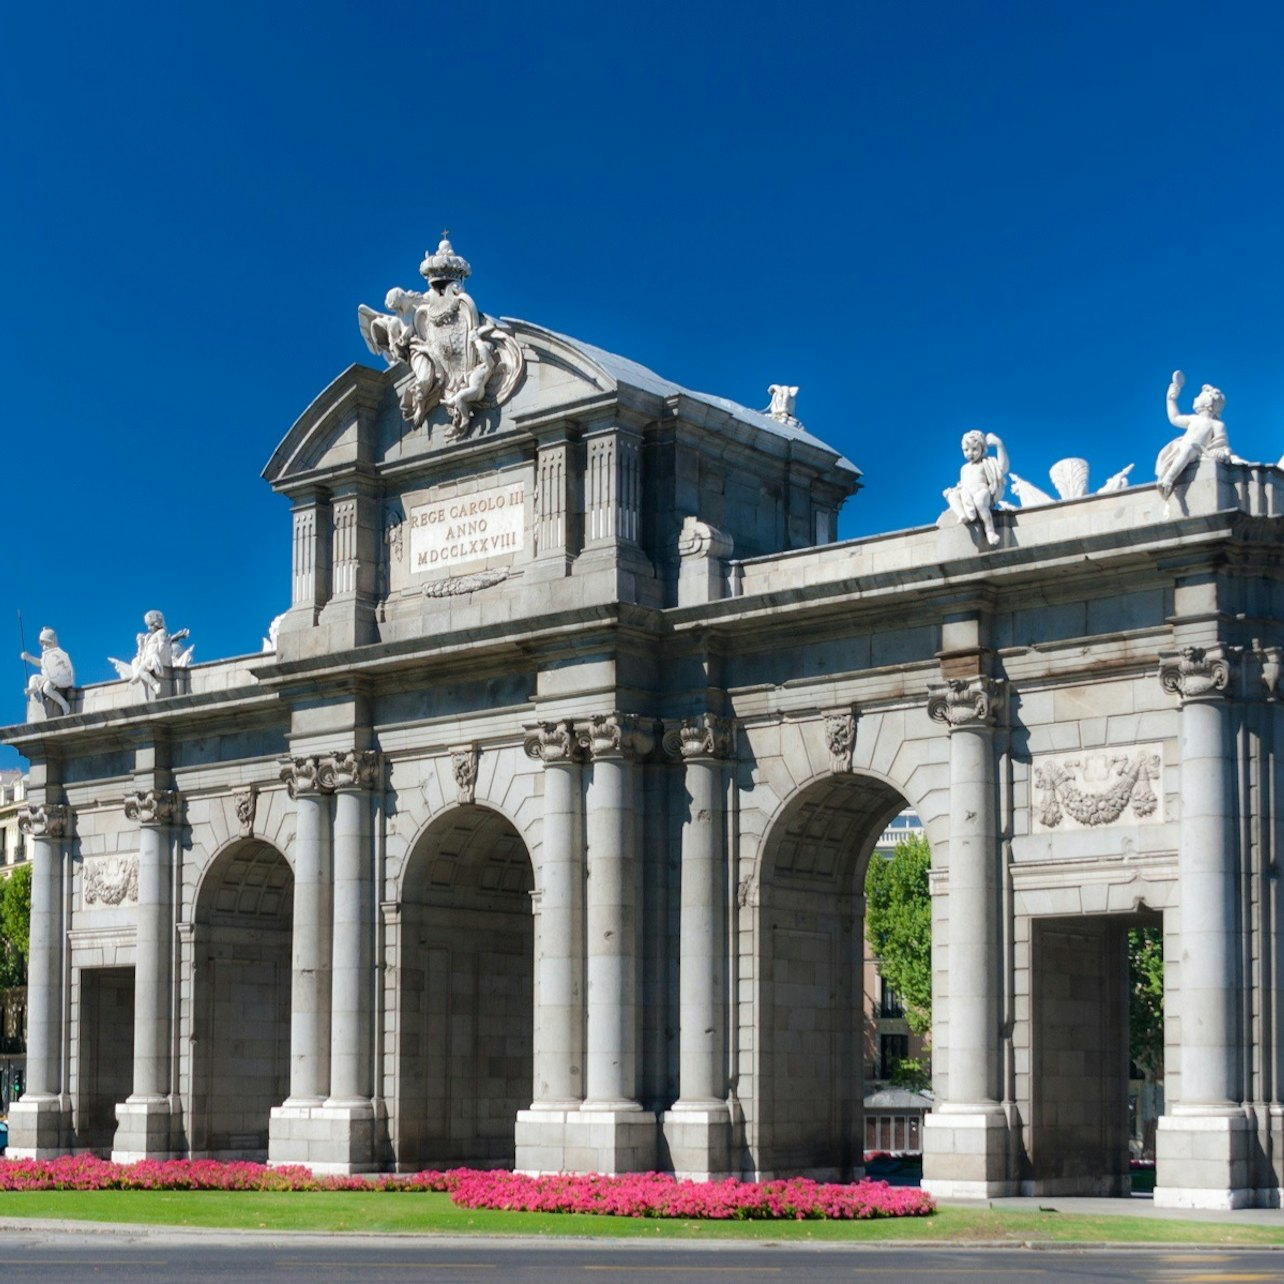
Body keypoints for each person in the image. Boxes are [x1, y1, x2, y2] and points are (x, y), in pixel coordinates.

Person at [1155, 370, 1229, 499]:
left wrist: (1221, 453)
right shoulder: (1193, 418)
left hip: (1197, 448)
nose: (1195, 398)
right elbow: (1174, 418)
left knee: (1187, 451)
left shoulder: (1217, 424)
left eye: (1199, 397)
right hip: (1182, 445)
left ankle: (1168, 479)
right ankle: (1168, 479)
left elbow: (1221, 446)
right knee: (1184, 450)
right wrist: (1170, 399)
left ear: (1208, 403)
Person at [944, 430, 1009, 547]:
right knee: (952, 495)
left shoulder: (986, 463)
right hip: (966, 493)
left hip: (982, 491)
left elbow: (1002, 468)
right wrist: (952, 490)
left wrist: (999, 445)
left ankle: (990, 531)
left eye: (974, 449)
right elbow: (962, 485)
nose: (970, 453)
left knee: (980, 502)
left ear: (982, 448)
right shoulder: (964, 468)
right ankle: (962, 515)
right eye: (966, 450)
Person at [21, 627, 75, 716]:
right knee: (33, 678)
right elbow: (40, 663)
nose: (44, 647)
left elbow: (62, 668)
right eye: (43, 644)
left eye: (46, 644)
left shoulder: (57, 655)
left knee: (47, 689)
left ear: (52, 643)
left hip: (56, 678)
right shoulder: (47, 656)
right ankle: (34, 689)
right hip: (47, 676)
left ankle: (64, 704)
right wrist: (29, 658)